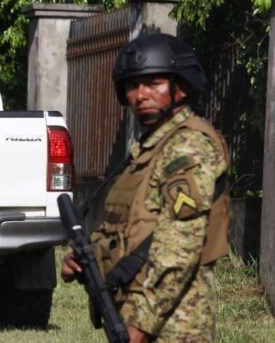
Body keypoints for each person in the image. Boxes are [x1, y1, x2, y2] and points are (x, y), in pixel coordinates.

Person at [61, 34, 230, 343]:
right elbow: (131, 228)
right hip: (134, 313)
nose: (140, 95)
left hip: (175, 326)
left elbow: (179, 248)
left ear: (180, 87)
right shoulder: (150, 149)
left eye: (153, 84)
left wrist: (143, 323)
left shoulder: (189, 147)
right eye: (132, 85)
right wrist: (90, 257)